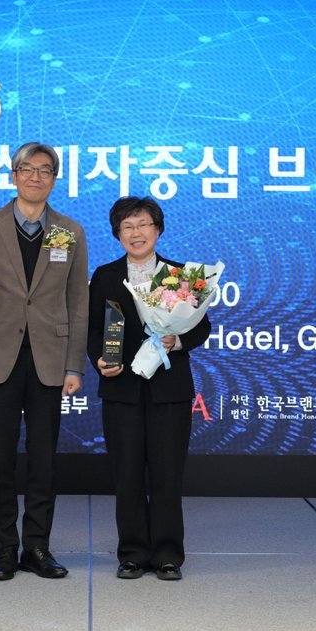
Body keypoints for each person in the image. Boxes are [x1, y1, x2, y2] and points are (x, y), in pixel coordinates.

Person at [0, 143, 89, 581]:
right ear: (13, 175)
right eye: (27, 169)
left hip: (50, 360)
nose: (35, 177)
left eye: (45, 170)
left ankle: (37, 547)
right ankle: (4, 549)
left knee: (43, 459)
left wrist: (74, 366)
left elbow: (78, 302)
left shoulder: (68, 231)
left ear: (55, 179)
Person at [87, 196, 210, 581]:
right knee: (126, 475)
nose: (136, 232)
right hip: (121, 388)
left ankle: (169, 554)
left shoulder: (180, 275)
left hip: (168, 390)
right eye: (127, 226)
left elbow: (202, 326)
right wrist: (99, 359)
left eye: (143, 224)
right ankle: (132, 554)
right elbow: (94, 328)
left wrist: (178, 341)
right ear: (117, 234)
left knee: (167, 474)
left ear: (158, 229)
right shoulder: (105, 276)